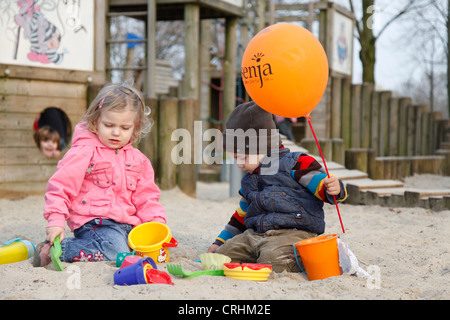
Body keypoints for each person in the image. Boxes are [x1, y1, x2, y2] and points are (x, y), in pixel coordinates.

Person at [33, 83, 166, 267]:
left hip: (128, 225)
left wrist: (156, 223)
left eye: (125, 127)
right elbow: (61, 186)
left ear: (135, 127)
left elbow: (147, 197)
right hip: (95, 222)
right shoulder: (85, 151)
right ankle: (56, 250)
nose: (116, 132)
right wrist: (56, 219)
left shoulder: (139, 160)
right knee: (115, 252)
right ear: (95, 121)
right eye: (109, 125)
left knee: (148, 251)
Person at [207, 101, 347, 273]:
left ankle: (301, 258)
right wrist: (219, 243)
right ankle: (253, 255)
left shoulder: (296, 163)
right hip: (256, 235)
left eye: (242, 157)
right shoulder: (249, 180)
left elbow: (323, 187)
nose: (239, 164)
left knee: (273, 261)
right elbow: (240, 216)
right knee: (223, 255)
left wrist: (334, 187)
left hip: (295, 233)